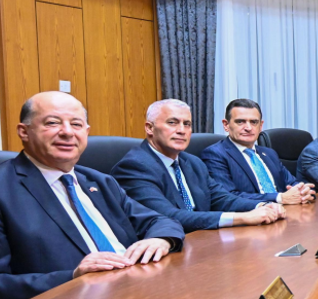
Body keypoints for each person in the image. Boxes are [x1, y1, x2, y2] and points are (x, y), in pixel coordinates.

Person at [0, 92, 184, 299]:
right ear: (24, 131)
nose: (68, 132)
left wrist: (161, 240)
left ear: (86, 133)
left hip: (137, 294)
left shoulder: (99, 181)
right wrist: (72, 277)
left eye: (76, 124)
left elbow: (159, 221)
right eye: (52, 123)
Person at [111, 99, 286, 232]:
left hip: (204, 240)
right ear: (150, 128)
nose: (182, 130)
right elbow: (169, 216)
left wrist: (261, 206)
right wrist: (242, 218)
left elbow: (222, 198)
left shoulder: (192, 162)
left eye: (187, 124)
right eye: (172, 123)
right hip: (166, 250)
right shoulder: (134, 166)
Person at [201, 99, 316, 205]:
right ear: (226, 125)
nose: (248, 128)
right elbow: (227, 197)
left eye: (254, 122)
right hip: (250, 216)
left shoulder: (269, 153)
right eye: (240, 122)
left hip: (286, 212)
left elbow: (292, 183)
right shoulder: (215, 154)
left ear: (260, 126)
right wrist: (279, 198)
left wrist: (303, 191)